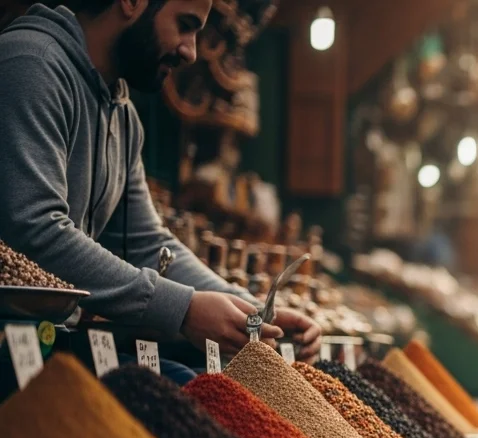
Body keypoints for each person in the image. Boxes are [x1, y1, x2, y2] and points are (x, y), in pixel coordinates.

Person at [0, 1, 321, 360]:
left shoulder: (123, 117)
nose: (191, 51)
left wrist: (257, 312)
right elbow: (34, 232)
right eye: (184, 25)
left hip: (48, 344)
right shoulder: (31, 65)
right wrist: (183, 308)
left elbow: (146, 243)